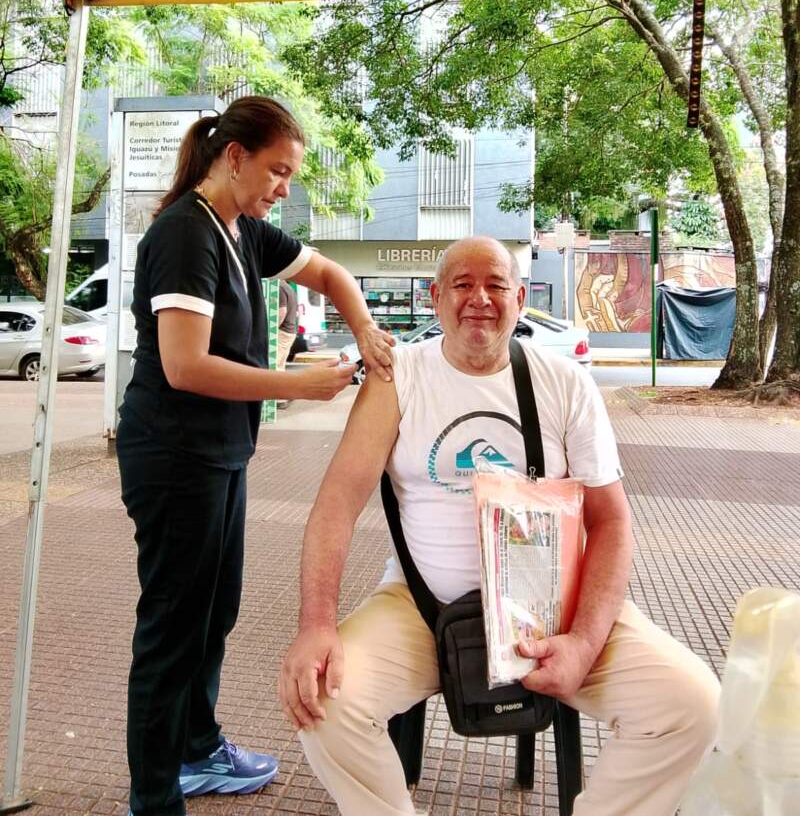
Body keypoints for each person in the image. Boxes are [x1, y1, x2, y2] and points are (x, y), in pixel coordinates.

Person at [280, 236, 720, 816]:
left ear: (520, 298)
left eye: (495, 285)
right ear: (435, 298)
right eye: (462, 285)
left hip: (555, 611)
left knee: (694, 705)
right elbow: (336, 504)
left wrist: (584, 643)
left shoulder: (565, 382)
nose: (479, 299)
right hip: (423, 608)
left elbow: (611, 521)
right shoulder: (399, 377)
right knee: (323, 699)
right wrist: (316, 624)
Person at [117, 96, 394, 816]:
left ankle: (197, 748)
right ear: (234, 157)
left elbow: (331, 274)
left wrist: (365, 329)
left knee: (215, 611)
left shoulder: (243, 230)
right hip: (173, 456)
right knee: (173, 626)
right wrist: (297, 386)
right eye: (277, 170)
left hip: (220, 454)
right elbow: (184, 365)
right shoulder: (186, 234)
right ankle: (154, 797)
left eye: (290, 175)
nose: (284, 187)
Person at [276, 279, 298, 407]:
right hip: (290, 330)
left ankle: (282, 399)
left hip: (282, 331)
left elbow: (282, 311)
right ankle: (286, 394)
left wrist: (272, 329)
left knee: (275, 365)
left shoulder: (279, 287)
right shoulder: (289, 288)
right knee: (280, 365)